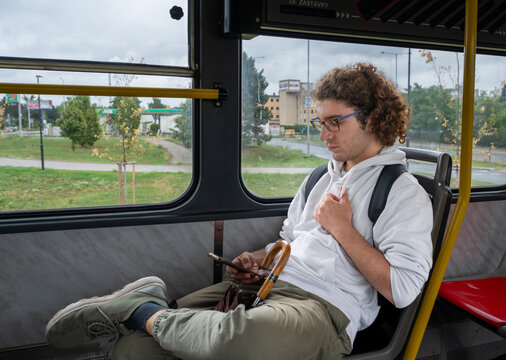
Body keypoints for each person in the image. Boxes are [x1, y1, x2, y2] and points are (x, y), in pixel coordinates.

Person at [45, 63, 433, 360]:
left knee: (235, 339)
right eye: (320, 121)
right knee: (134, 348)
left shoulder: (401, 192)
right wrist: (258, 259)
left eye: (335, 121)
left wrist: (343, 230)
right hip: (268, 282)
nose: (324, 133)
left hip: (325, 309)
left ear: (373, 118)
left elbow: (401, 290)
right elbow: (290, 240)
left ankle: (138, 307)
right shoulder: (320, 177)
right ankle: (143, 314)